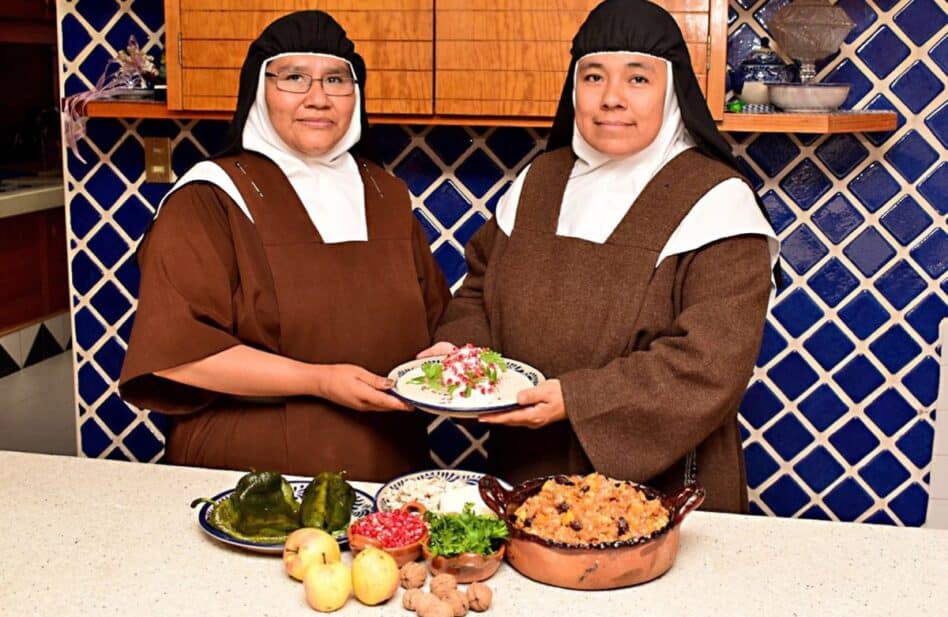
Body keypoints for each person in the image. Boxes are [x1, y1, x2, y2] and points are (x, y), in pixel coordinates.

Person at [424, 0, 779, 512]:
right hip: (526, 469)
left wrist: (575, 400)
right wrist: (459, 355)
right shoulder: (538, 181)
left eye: (637, 80)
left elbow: (709, 366)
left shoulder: (718, 200)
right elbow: (479, 290)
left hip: (661, 488)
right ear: (574, 90)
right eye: (593, 77)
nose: (611, 99)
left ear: (672, 92)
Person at [119, 11, 450, 481]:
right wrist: (319, 381)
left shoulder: (386, 192)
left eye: (336, 79)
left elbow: (437, 321)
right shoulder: (211, 196)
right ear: (259, 89)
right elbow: (179, 355)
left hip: (391, 472)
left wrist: (446, 355)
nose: (318, 98)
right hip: (249, 477)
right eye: (294, 77)